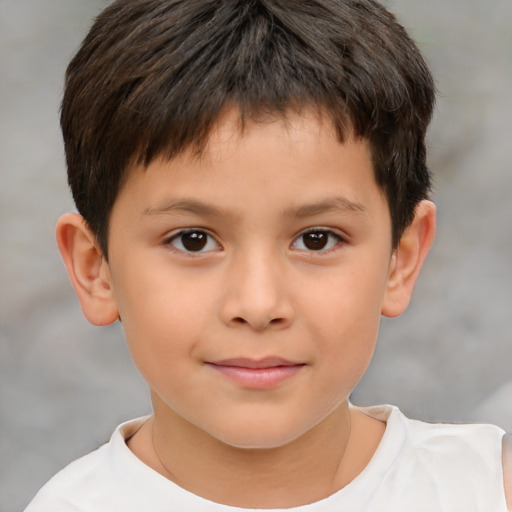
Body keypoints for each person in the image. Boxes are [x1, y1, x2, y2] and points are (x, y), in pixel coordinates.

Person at [25, 0, 511, 510]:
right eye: (192, 240)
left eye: (317, 239)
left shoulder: (487, 490)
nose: (258, 305)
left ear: (401, 259)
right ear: (95, 269)